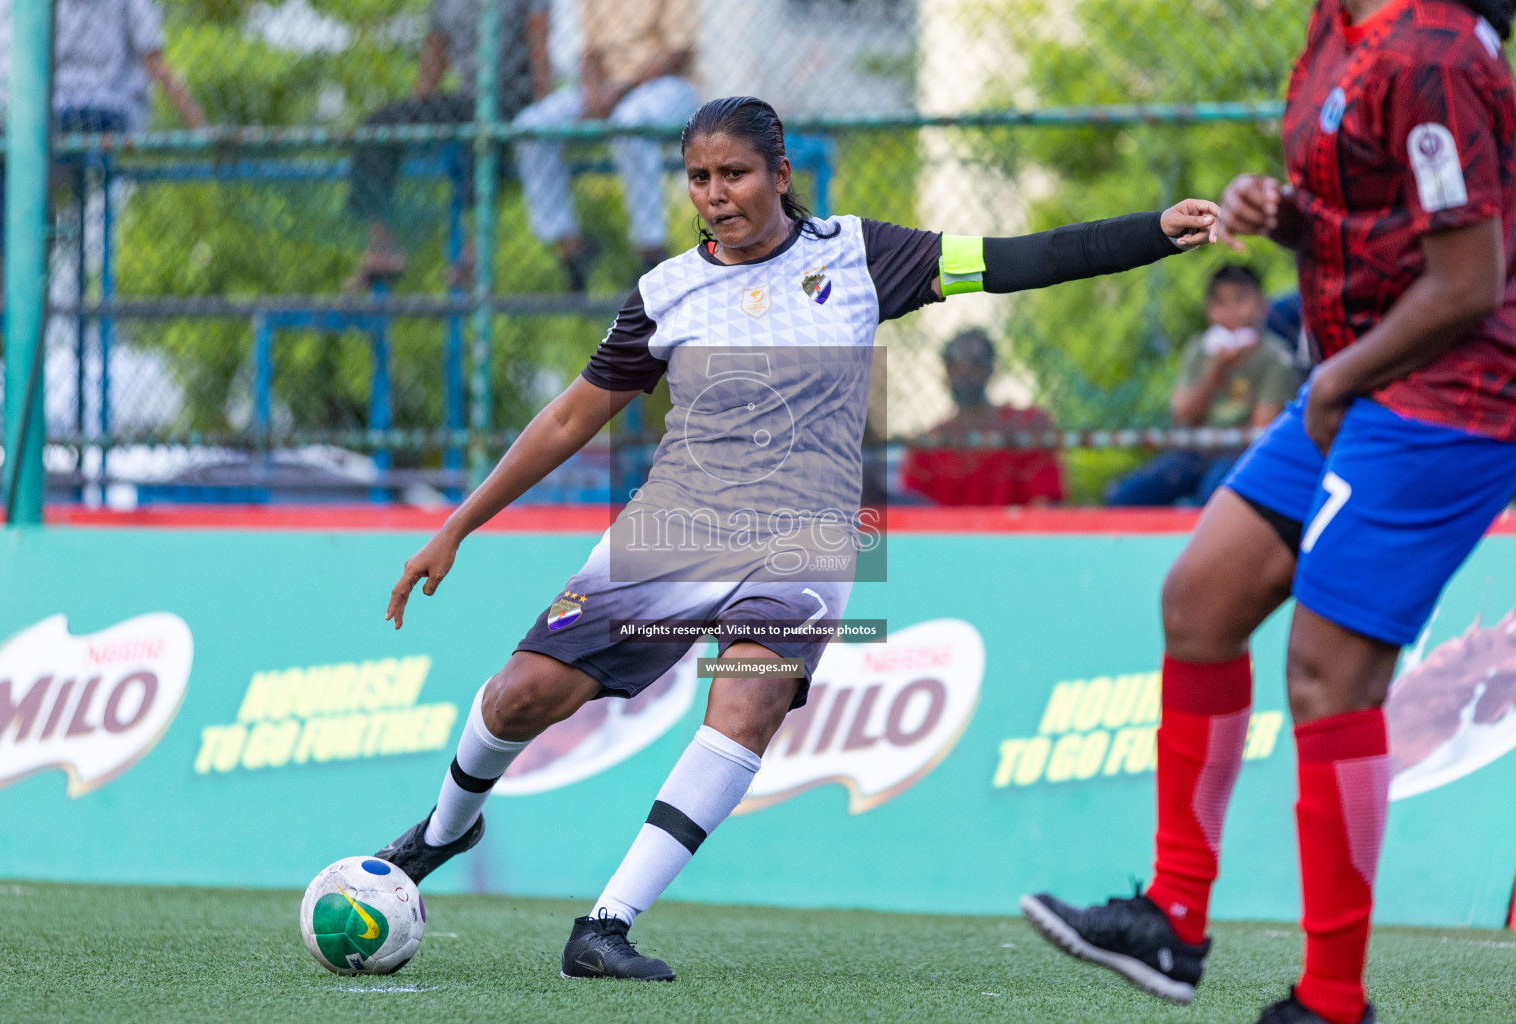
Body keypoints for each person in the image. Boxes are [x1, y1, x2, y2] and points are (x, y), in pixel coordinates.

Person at [374, 95, 1219, 980]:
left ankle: (605, 926)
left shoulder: (863, 257)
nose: (714, 194)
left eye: (732, 173)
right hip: (675, 530)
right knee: (519, 698)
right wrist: (457, 528)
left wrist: (1152, 232)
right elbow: (568, 419)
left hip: (806, 540)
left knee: (748, 704)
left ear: (781, 176)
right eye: (698, 178)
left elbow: (1019, 260)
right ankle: (444, 831)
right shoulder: (666, 291)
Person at [1021, 2, 1516, 1023]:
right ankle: (1172, 917)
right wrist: (1282, 210)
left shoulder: (1436, 49)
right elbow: (1375, 213)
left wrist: (1335, 384)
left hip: (1446, 395)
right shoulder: (1341, 25)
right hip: (1362, 375)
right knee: (1200, 599)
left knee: (1329, 678)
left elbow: (1473, 280)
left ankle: (1332, 1000)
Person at [0, 0, 205, 302]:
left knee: (13, 149)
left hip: (102, 110)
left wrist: (199, 127)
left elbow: (153, 58)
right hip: (54, 112)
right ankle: (3, 266)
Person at [345, 0, 551, 291]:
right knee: (378, 125)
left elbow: (540, 48)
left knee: (480, 135)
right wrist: (416, 114)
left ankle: (473, 252)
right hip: (468, 99)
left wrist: (546, 112)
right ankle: (382, 247)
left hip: (515, 98)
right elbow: (434, 57)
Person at [512, 0, 699, 291]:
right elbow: (589, 54)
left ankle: (652, 252)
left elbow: (679, 53)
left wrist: (619, 91)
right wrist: (592, 92)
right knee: (530, 127)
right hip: (608, 89)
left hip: (666, 87)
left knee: (629, 122)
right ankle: (572, 249)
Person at [1104, 265, 1297, 506]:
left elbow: (1261, 429)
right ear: (1209, 310)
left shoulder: (1276, 356)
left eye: (1240, 300)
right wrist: (1215, 369)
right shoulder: (1199, 349)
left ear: (1261, 305)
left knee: (1213, 496)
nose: (1231, 312)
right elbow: (1182, 416)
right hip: (1194, 454)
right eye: (1221, 303)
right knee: (1125, 496)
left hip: (1240, 456)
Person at [900, 329, 1065, 506]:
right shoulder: (927, 446)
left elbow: (1045, 505)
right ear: (946, 373)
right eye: (956, 365)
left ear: (991, 369)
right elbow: (913, 512)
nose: (965, 374)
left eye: (975, 364)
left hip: (1013, 532)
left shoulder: (1028, 426)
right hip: (946, 534)